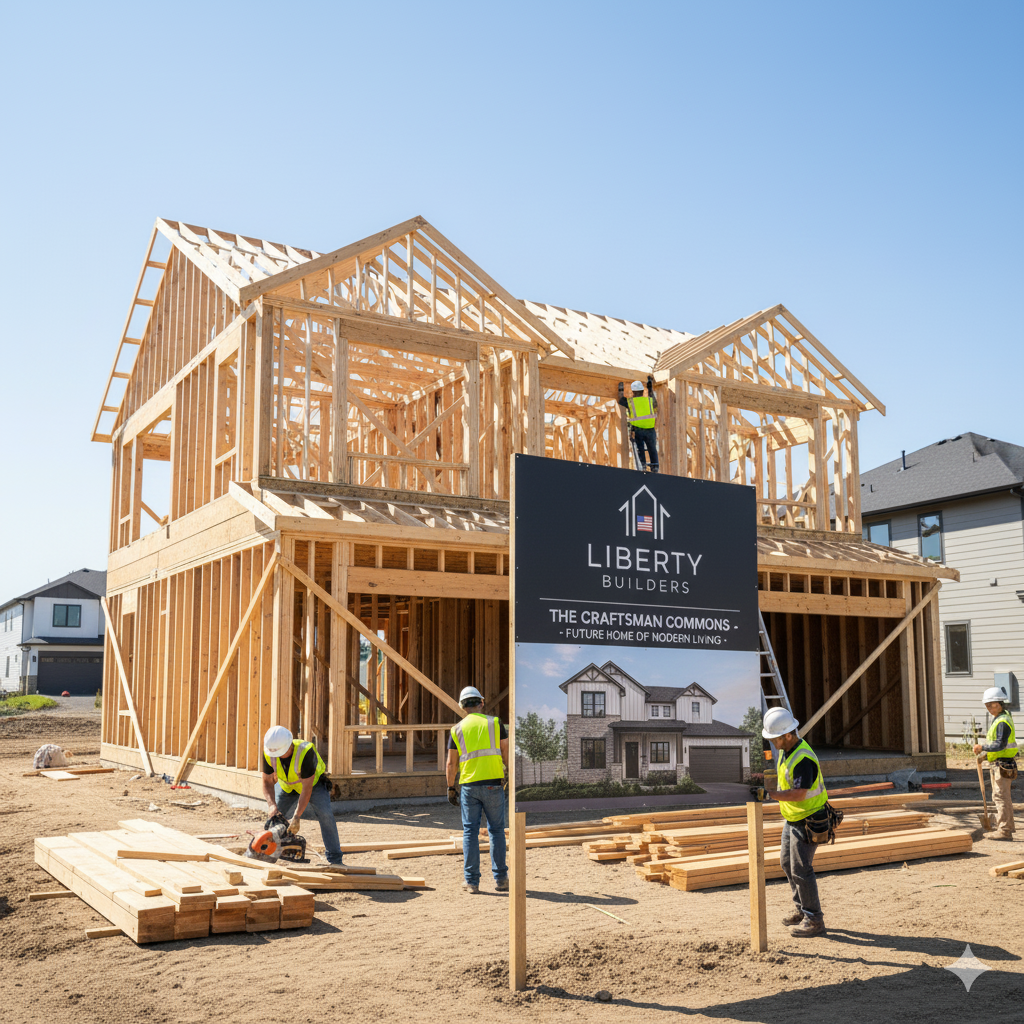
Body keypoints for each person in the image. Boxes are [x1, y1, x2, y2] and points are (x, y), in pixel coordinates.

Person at [762, 707, 829, 937]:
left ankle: (814, 919)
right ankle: (801, 910)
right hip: (793, 818)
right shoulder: (786, 750)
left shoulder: (803, 759)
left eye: (774, 738)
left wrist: (770, 795)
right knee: (786, 863)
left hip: (809, 819)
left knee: (801, 869)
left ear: (787, 735)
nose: (772, 742)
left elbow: (799, 794)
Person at [446, 686, 509, 894]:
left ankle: (472, 882)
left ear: (462, 706)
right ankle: (501, 879)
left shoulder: (456, 729)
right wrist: (509, 774)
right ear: (481, 702)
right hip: (493, 784)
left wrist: (450, 787)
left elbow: (451, 764)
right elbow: (506, 750)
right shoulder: (495, 723)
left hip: (469, 787)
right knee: (497, 831)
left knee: (470, 833)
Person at [261, 725, 344, 866]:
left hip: (313, 785)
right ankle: (265, 856)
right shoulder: (269, 752)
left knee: (325, 815)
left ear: (289, 745)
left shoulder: (306, 751)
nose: (276, 756)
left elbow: (306, 789)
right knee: (274, 820)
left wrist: (297, 816)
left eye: (280, 752)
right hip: (288, 787)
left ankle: (335, 860)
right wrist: (271, 806)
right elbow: (267, 782)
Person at [972, 686, 1018, 841]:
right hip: (1000, 762)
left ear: (998, 703)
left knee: (1001, 797)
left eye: (990, 705)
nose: (988, 708)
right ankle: (1007, 827)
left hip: (1002, 765)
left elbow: (1000, 745)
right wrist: (985, 756)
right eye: (986, 706)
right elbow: (999, 747)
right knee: (1002, 797)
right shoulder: (1000, 718)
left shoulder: (1002, 722)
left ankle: (1005, 830)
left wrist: (982, 747)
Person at [618, 377, 659, 472]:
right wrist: (650, 386)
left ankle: (642, 466)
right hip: (650, 429)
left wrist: (620, 388)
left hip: (638, 430)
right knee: (652, 448)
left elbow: (620, 399)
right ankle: (655, 466)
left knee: (640, 449)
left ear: (633, 392)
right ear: (642, 391)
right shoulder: (649, 400)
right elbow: (653, 398)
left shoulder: (630, 401)